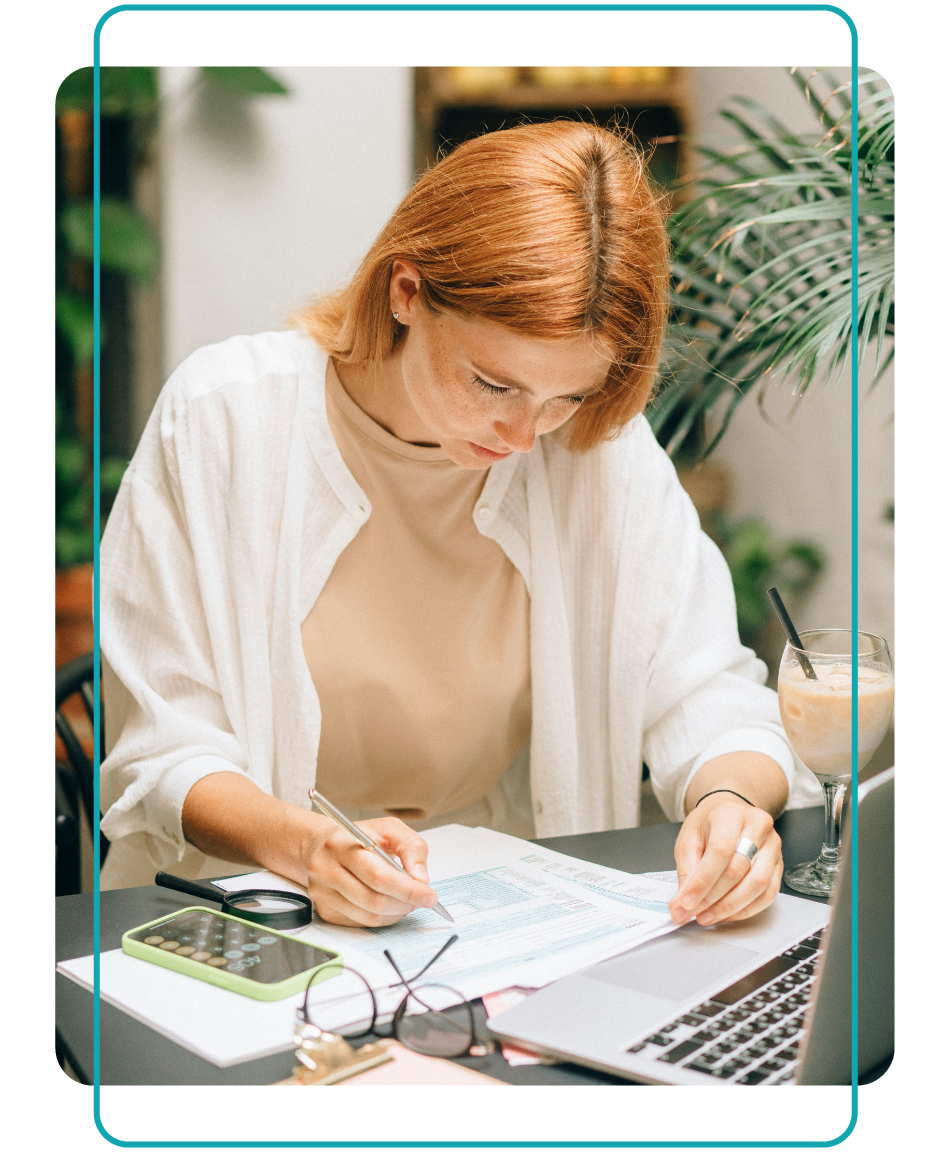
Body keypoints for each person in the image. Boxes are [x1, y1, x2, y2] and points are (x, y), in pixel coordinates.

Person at [100, 120, 820, 930]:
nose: (521, 437)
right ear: (406, 291)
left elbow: (709, 693)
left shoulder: (593, 451)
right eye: (493, 383)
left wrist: (730, 803)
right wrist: (308, 851)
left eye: (568, 397)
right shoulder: (223, 420)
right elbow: (163, 752)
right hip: (246, 913)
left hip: (493, 919)